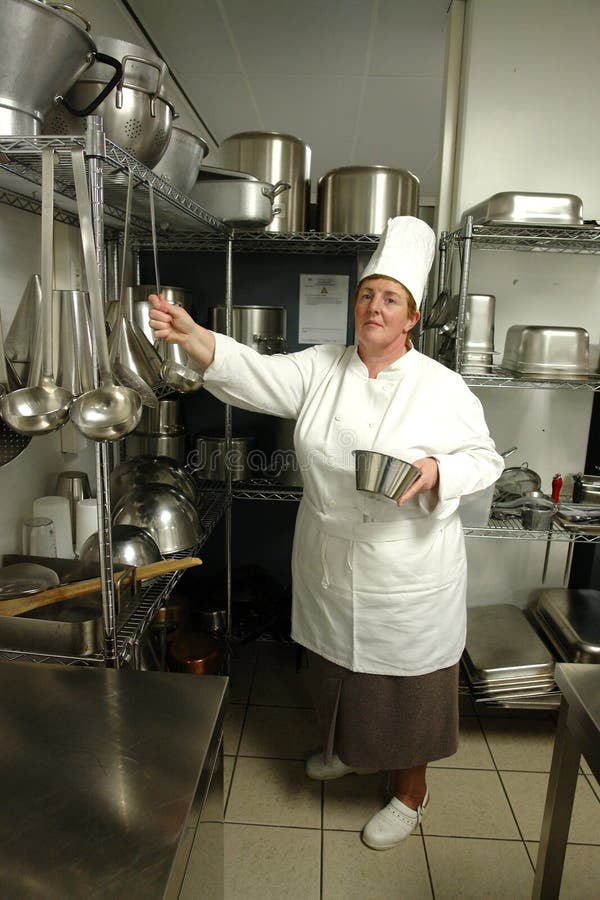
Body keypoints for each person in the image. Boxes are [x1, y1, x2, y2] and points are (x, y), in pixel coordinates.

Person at [148, 216, 504, 851]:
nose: (374, 307)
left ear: (412, 317)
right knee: (334, 666)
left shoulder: (443, 388)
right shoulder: (321, 366)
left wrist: (436, 471)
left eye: (390, 298)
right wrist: (193, 336)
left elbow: (486, 461)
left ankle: (410, 792)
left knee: (406, 683)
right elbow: (254, 372)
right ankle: (344, 749)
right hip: (329, 551)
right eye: (367, 294)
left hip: (408, 564)